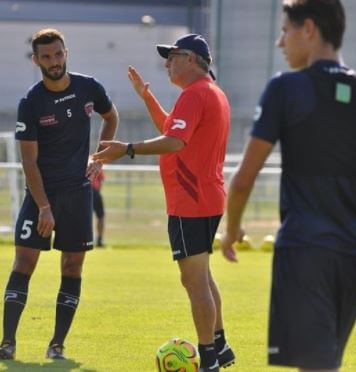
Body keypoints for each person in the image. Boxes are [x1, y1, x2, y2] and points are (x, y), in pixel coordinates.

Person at [221, 1, 356, 371]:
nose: (279, 42)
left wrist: (232, 228)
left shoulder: (287, 88)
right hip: (355, 255)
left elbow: (243, 181)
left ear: (310, 29)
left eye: (285, 31)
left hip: (306, 250)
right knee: (326, 362)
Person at [92, 34, 235, 372]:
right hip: (206, 196)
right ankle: (220, 346)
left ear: (193, 59)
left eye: (173, 56)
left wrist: (125, 149)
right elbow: (174, 128)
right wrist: (147, 97)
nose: (167, 63)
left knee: (194, 281)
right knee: (201, 276)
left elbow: (173, 141)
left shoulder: (195, 94)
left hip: (191, 199)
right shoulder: (208, 93)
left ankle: (209, 359)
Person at [0, 28, 118, 360]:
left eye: (59, 54)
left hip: (79, 195)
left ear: (66, 53)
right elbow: (29, 161)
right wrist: (43, 207)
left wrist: (99, 157)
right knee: (24, 262)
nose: (55, 61)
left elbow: (111, 117)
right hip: (41, 196)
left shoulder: (89, 87)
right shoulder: (31, 102)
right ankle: (7, 343)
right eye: (47, 56)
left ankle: (57, 346)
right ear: (36, 60)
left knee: (72, 268)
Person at [92, 169, 105, 247]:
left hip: (89, 191)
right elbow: (100, 181)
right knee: (100, 217)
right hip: (93, 191)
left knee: (101, 216)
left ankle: (99, 239)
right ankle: (99, 240)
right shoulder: (98, 162)